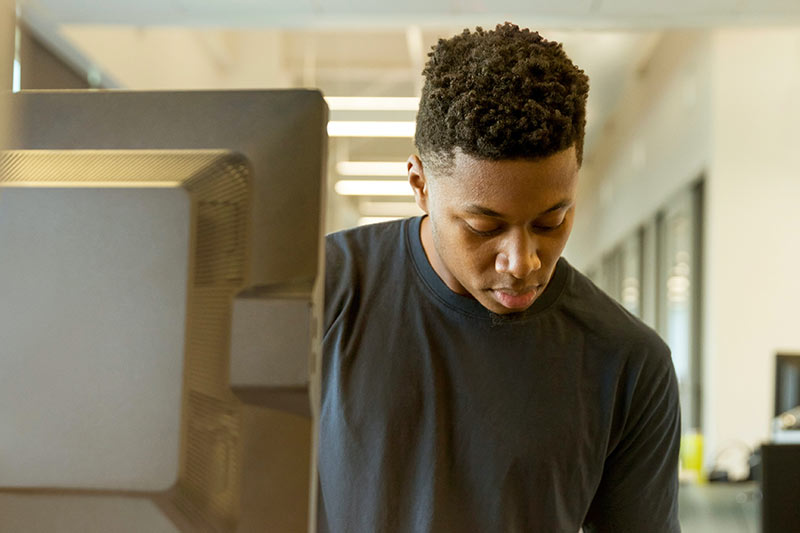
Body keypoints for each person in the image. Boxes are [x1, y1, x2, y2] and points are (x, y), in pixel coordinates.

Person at [319, 22, 681, 533]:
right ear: (420, 185)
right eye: (484, 227)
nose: (522, 261)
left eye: (551, 222)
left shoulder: (628, 362)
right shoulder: (321, 292)